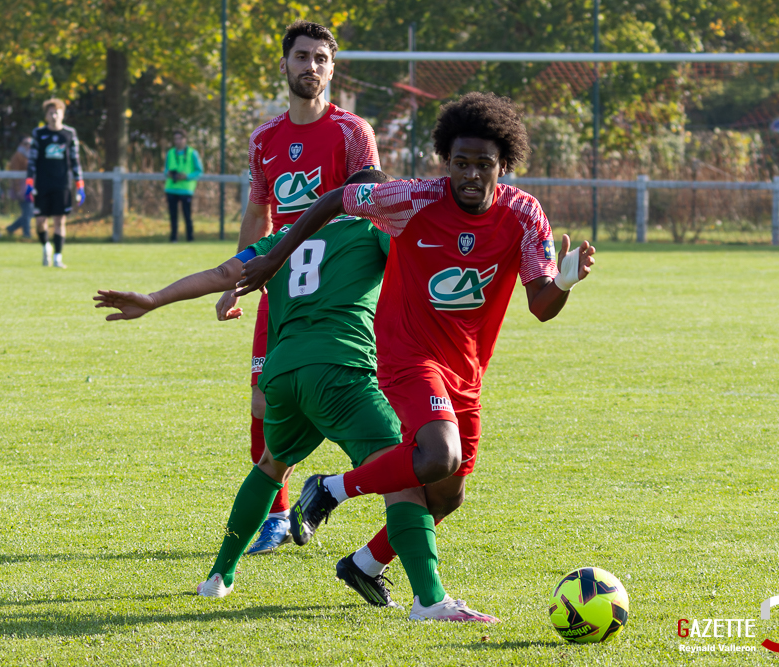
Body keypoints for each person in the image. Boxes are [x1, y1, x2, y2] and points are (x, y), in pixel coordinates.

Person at [235, 92, 595, 619]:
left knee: (447, 496)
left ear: (505, 165)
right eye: (461, 163)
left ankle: (364, 563)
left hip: (466, 368)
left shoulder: (523, 213)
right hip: (406, 353)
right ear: (445, 161)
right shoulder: (412, 200)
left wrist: (563, 280)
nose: (472, 175)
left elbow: (541, 306)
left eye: (484, 165)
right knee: (438, 454)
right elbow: (336, 199)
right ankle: (330, 489)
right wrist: (271, 257)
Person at [94, 169, 490, 622]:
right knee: (402, 475)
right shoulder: (374, 227)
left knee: (271, 465)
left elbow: (225, 272)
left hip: (282, 372)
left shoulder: (284, 237)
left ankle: (218, 577)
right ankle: (430, 600)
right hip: (340, 369)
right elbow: (425, 263)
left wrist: (154, 298)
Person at [214, 19, 380, 556]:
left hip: (335, 293)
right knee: (264, 403)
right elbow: (258, 213)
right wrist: (237, 282)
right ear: (283, 64)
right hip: (280, 288)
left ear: (331, 69)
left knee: (338, 395)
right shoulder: (264, 138)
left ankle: (327, 492)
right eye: (302, 57)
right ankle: (278, 515)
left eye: (321, 59)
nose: (311, 66)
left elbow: (371, 205)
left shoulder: (352, 132)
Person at [26, 98, 85, 269]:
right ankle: (46, 247)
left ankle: (58, 257)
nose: (54, 115)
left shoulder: (69, 134)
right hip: (42, 185)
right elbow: (32, 160)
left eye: (56, 112)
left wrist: (80, 185)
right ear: (46, 115)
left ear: (63, 114)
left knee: (60, 221)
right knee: (40, 221)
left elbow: (75, 161)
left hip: (62, 184)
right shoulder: (38, 133)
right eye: (50, 112)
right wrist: (29, 182)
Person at [164, 130, 203, 242]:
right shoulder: (170, 153)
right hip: (171, 188)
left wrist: (186, 176)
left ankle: (190, 238)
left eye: (180, 138)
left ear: (185, 139)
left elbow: (199, 171)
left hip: (186, 189)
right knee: (173, 216)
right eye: (175, 139)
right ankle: (173, 238)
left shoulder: (192, 153)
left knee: (187, 215)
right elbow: (165, 170)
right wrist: (169, 173)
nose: (178, 141)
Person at [6, 137, 34, 238]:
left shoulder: (32, 155)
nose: (28, 145)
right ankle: (27, 234)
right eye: (26, 143)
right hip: (22, 188)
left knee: (31, 212)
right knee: (28, 211)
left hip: (31, 187)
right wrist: (17, 190)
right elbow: (15, 175)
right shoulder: (17, 156)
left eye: (30, 143)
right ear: (21, 144)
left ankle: (11, 228)